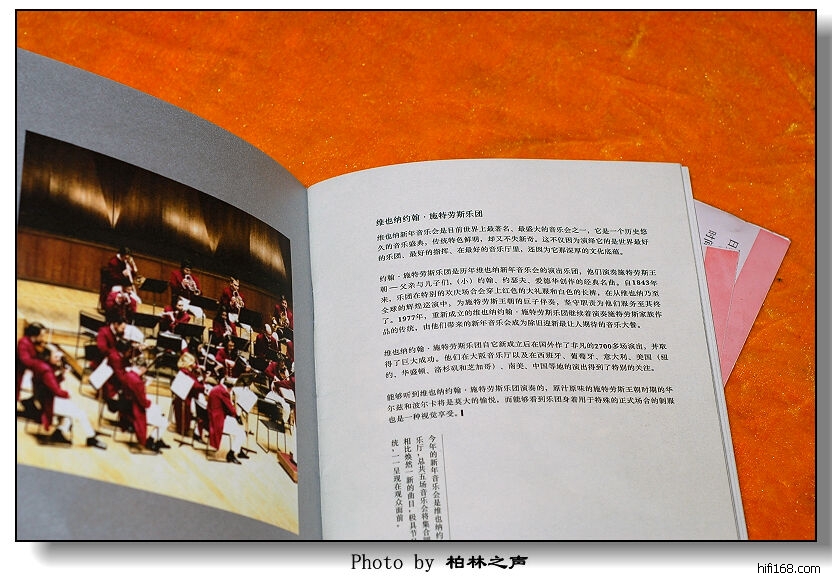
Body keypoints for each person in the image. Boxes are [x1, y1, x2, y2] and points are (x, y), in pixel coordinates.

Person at [32, 344, 107, 450]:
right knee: (81, 414)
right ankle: (91, 437)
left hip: (45, 399)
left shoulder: (43, 366)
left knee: (70, 412)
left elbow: (52, 383)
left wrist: (62, 374)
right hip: (49, 403)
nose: (58, 359)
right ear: (48, 357)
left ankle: (60, 432)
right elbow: (56, 390)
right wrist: (67, 394)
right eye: (56, 357)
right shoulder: (46, 371)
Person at [120, 357, 170, 453]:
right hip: (136, 411)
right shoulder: (137, 382)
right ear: (142, 368)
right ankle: (151, 441)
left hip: (127, 408)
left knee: (159, 412)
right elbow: (144, 403)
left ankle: (157, 438)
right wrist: (151, 404)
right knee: (165, 422)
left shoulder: (127, 375)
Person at [206, 372, 248, 464]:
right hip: (217, 421)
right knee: (242, 434)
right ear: (230, 387)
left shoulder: (217, 388)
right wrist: (236, 414)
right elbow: (232, 410)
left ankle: (238, 449)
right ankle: (231, 455)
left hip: (211, 417)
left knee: (235, 425)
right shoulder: (224, 392)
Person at [17, 321, 46, 404]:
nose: (42, 338)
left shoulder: (34, 342)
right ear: (34, 334)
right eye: (41, 335)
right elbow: (25, 360)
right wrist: (39, 364)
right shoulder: (24, 342)